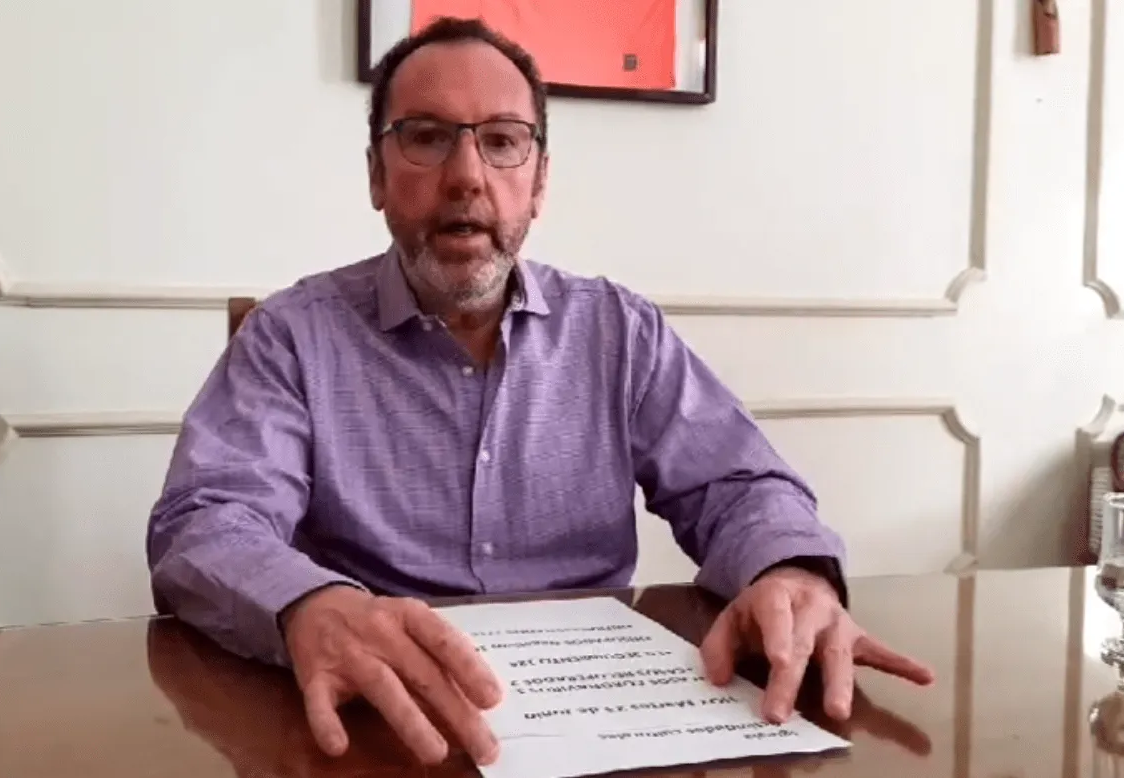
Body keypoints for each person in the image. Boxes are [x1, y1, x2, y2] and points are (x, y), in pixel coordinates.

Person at [145, 16, 935, 769]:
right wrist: (309, 606)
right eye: (426, 137)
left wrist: (788, 573)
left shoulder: (619, 330)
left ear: (538, 181)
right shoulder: (290, 336)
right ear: (377, 176)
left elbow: (738, 486)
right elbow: (205, 522)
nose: (466, 176)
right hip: (376, 726)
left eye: (501, 141)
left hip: (603, 728)